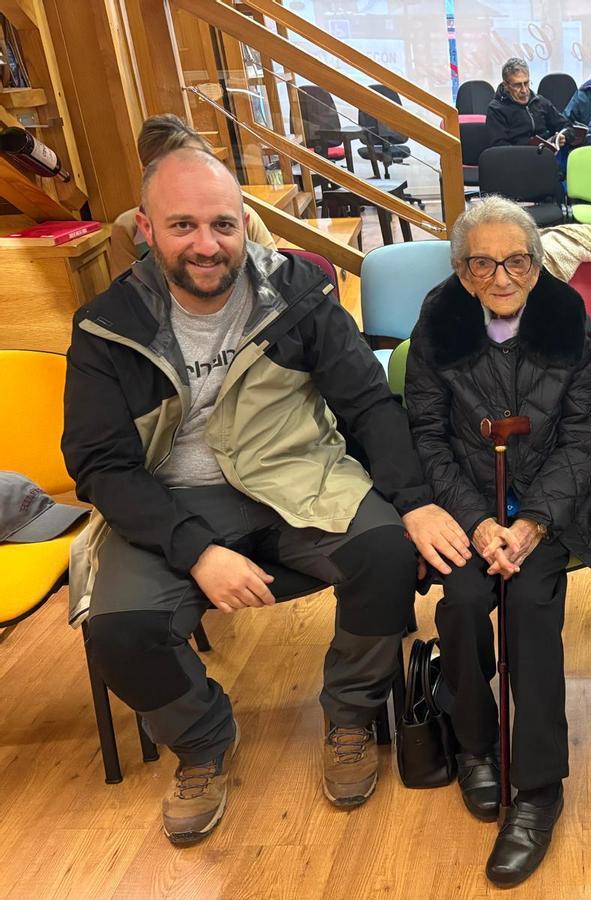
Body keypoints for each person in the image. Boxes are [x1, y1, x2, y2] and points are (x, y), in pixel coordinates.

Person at [64, 147, 470, 845]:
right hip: (169, 501)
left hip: (295, 478)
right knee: (116, 627)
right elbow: (100, 464)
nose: (206, 245)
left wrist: (414, 500)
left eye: (222, 224)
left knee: (386, 554)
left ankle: (350, 715)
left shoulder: (298, 296)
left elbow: (368, 403)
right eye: (183, 225)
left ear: (244, 224)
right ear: (146, 229)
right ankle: (201, 742)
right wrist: (196, 551)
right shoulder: (107, 325)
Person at [405, 197, 591, 887]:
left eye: (516, 261)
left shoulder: (565, 316)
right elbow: (426, 435)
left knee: (532, 609)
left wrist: (532, 522)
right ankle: (475, 744)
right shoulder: (440, 319)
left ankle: (538, 788)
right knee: (462, 602)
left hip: (549, 510)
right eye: (483, 264)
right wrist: (478, 521)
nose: (502, 277)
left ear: (538, 264)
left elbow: (585, 437)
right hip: (468, 507)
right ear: (462, 270)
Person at [110, 114, 276, 274]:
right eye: (182, 225)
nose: (207, 247)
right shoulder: (128, 228)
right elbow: (128, 288)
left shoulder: (241, 215)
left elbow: (275, 276)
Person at [484, 57, 571, 150]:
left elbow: (566, 126)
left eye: (526, 83)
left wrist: (563, 136)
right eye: (517, 85)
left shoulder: (540, 102)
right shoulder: (496, 109)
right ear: (506, 85)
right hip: (515, 156)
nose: (524, 90)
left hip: (545, 154)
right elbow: (499, 148)